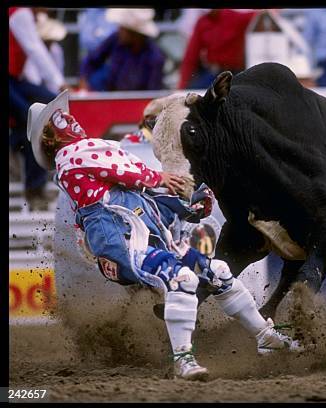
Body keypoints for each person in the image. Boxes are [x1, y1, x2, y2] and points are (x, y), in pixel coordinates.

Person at [27, 90, 302, 381]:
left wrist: (187, 205)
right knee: (182, 278)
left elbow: (146, 204)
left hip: (126, 240)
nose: (71, 119)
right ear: (50, 138)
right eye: (60, 119)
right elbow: (126, 171)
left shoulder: (104, 183)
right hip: (119, 242)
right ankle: (183, 359)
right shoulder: (74, 155)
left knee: (217, 271)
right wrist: (159, 178)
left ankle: (264, 336)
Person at [9, 6, 69, 210]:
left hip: (15, 81)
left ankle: (34, 185)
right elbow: (33, 47)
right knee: (37, 118)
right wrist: (58, 82)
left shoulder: (22, 15)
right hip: (12, 81)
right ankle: (34, 187)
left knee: (40, 114)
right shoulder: (20, 13)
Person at [80, 8, 166, 91]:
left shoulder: (155, 57)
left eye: (122, 28)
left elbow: (152, 93)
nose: (119, 30)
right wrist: (84, 80)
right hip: (111, 97)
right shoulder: (115, 40)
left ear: (134, 33)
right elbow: (91, 60)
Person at [178, 9, 256, 89]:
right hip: (213, 74)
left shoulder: (237, 17)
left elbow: (261, 15)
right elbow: (191, 56)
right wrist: (182, 86)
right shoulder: (202, 22)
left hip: (235, 73)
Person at [23, 12, 67, 93]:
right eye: (47, 40)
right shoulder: (30, 49)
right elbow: (32, 78)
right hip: (31, 88)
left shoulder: (56, 50)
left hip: (49, 90)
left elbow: (58, 72)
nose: (50, 43)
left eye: (51, 40)